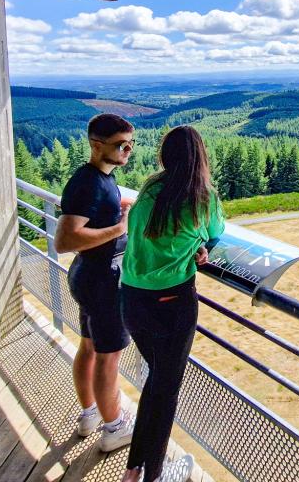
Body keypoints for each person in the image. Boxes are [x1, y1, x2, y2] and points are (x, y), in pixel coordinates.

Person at [119, 126, 225, 482]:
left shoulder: (149, 187)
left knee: (158, 382)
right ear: (200, 157)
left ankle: (135, 468)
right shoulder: (202, 196)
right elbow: (215, 232)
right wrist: (199, 245)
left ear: (165, 156)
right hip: (172, 304)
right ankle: (154, 475)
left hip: (132, 300)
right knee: (166, 390)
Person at [55, 113, 137, 452]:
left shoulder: (98, 179)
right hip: (102, 282)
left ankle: (89, 414)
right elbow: (65, 239)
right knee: (108, 356)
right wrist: (121, 227)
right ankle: (114, 427)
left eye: (131, 145)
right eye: (121, 145)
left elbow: (95, 209)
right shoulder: (88, 182)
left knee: (89, 347)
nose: (127, 151)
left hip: (89, 276)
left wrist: (120, 205)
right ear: (96, 144)